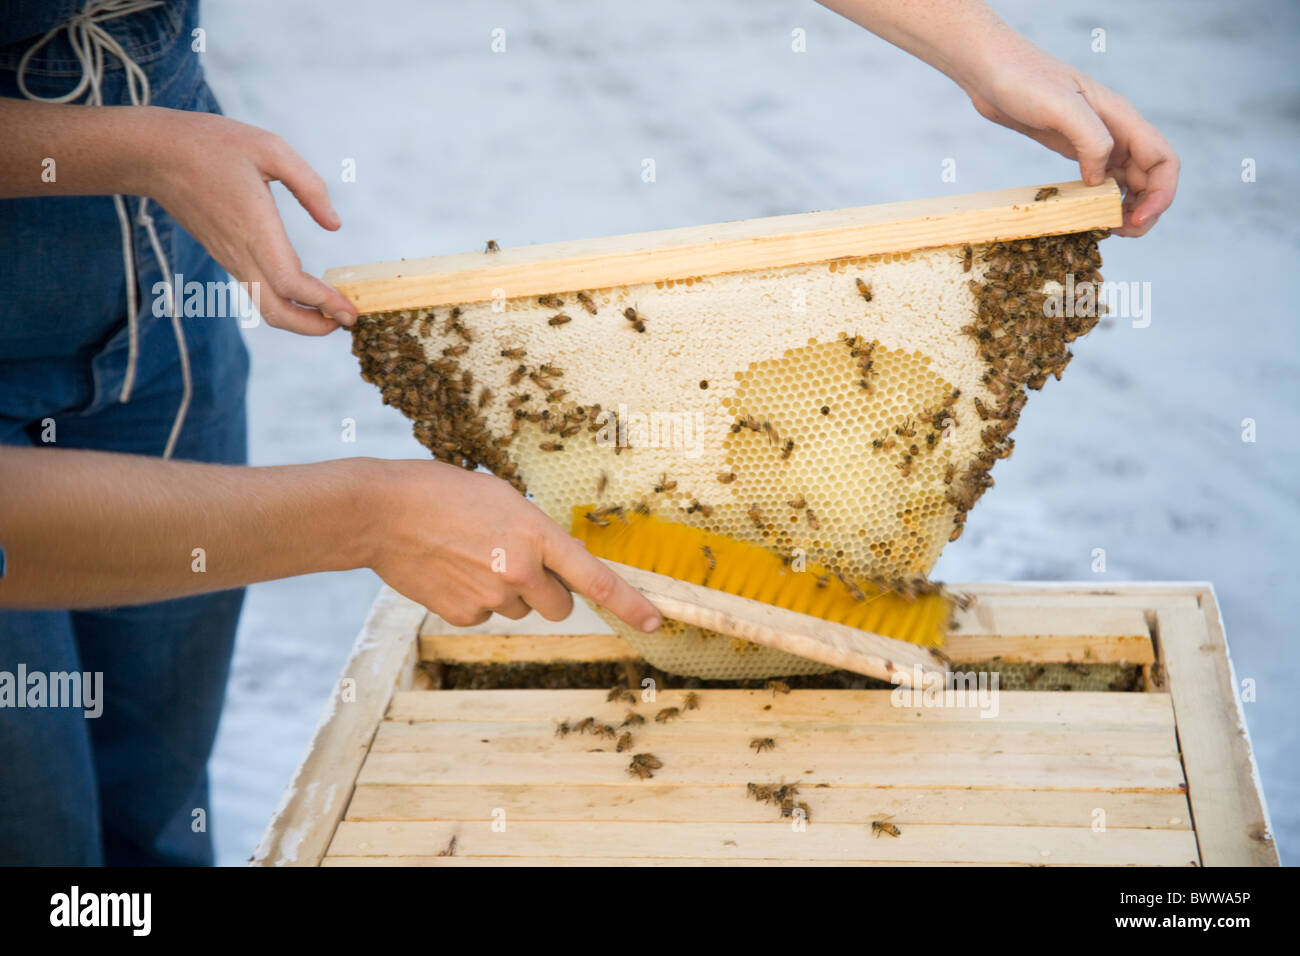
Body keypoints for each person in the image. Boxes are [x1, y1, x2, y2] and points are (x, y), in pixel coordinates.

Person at [0, 0, 1178, 866]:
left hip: (159, 259)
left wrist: (979, 48)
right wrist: (363, 509)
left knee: (148, 816)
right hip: (132, 188)